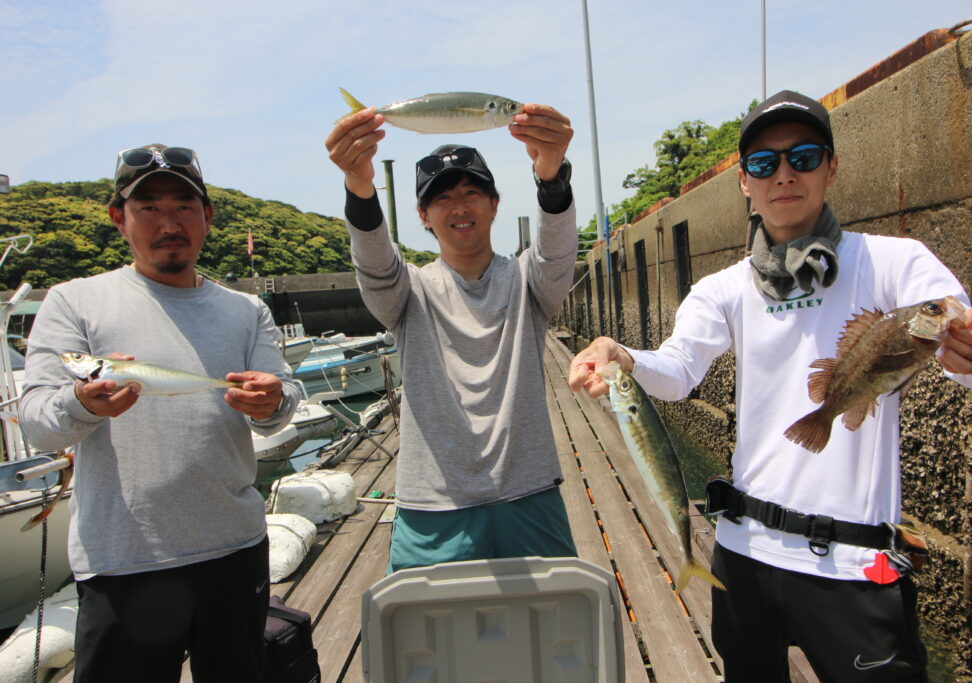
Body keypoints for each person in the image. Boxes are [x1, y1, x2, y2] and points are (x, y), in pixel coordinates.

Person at [567, 90, 972, 682]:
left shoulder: (896, 263)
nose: (783, 174)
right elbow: (678, 371)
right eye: (763, 163)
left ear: (832, 167)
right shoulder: (723, 288)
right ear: (744, 182)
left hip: (854, 566)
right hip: (744, 557)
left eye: (802, 157)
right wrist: (622, 356)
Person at [18, 144, 300, 682]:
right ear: (117, 217)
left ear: (207, 216)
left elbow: (279, 404)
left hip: (235, 550)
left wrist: (273, 402)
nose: (169, 224)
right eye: (148, 207)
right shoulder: (74, 302)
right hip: (123, 561)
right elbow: (36, 421)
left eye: (183, 207)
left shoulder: (246, 310)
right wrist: (80, 402)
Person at [325, 103, 579, 572]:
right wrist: (359, 185)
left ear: (494, 204)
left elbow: (557, 251)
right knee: (424, 620)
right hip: (432, 506)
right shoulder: (407, 292)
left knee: (551, 617)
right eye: (442, 198)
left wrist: (551, 176)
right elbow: (375, 265)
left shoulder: (529, 281)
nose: (459, 207)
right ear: (424, 216)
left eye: (471, 192)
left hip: (528, 494)